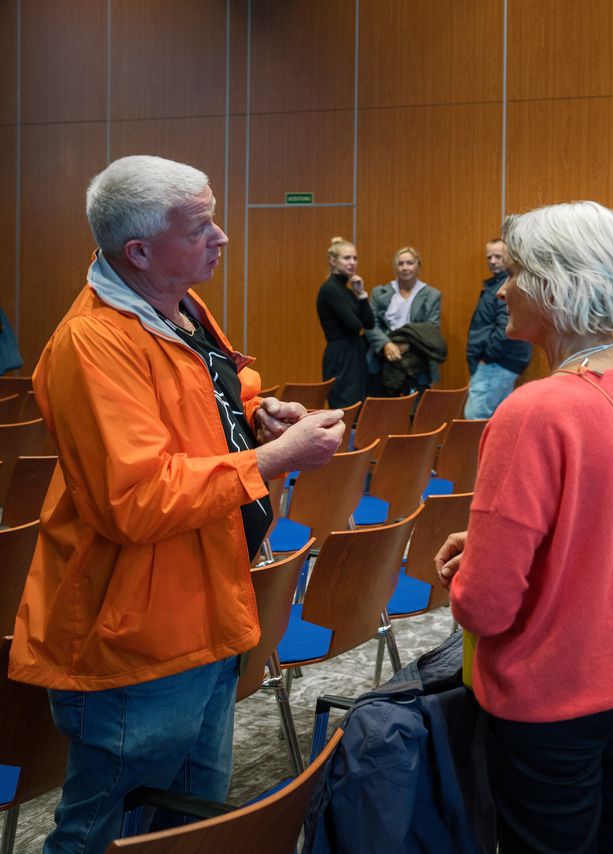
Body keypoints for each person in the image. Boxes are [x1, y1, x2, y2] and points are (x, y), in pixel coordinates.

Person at [8, 155, 346, 854]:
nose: (220, 236)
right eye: (199, 227)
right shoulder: (92, 345)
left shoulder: (176, 307)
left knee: (192, 823)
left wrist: (256, 416)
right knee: (101, 831)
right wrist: (274, 459)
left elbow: (206, 401)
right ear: (138, 251)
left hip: (207, 610)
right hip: (136, 638)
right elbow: (134, 500)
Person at [435, 202, 613, 853]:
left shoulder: (535, 411)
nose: (502, 289)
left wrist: (471, 572)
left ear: (556, 287)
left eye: (515, 273)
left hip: (551, 696)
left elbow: (487, 607)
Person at [463, 238, 533, 418]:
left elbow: (505, 326)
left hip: (496, 361)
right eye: (489, 257)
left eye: (498, 257)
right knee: (498, 420)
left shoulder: (506, 286)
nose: (493, 261)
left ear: (509, 258)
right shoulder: (497, 284)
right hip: (500, 361)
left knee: (474, 421)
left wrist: (487, 358)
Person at [365, 245, 443, 393]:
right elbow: (371, 324)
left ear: (418, 266)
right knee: (381, 411)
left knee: (415, 412)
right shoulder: (379, 292)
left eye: (409, 263)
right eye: (400, 264)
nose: (405, 267)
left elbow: (431, 328)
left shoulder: (432, 295)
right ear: (395, 267)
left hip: (417, 362)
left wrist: (406, 345)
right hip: (382, 359)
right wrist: (386, 345)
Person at [316, 236, 373, 407]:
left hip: (355, 353)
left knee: (358, 407)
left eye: (355, 258)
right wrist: (359, 319)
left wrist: (362, 294)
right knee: (345, 408)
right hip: (341, 356)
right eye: (346, 258)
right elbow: (355, 325)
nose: (352, 262)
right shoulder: (330, 289)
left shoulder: (348, 290)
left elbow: (369, 324)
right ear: (333, 261)